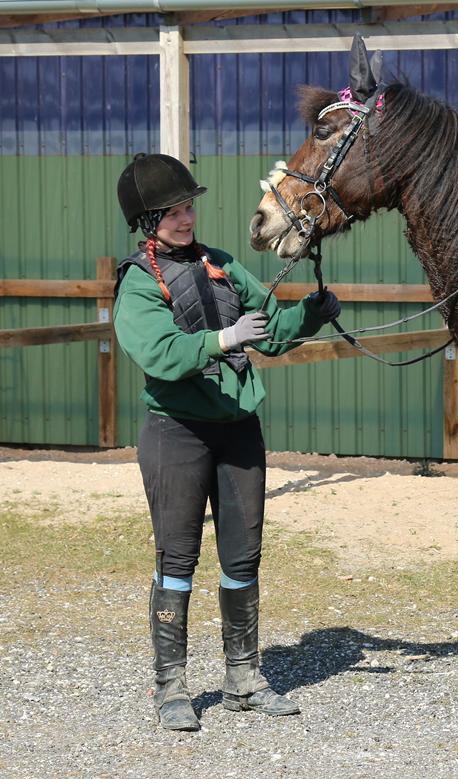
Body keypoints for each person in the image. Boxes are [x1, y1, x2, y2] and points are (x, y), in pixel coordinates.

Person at [114, 153, 341, 731]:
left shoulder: (222, 265)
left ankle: (243, 676)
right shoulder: (139, 284)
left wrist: (311, 314)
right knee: (178, 559)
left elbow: (270, 329)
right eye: (171, 212)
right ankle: (171, 688)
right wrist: (223, 338)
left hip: (238, 431)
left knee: (243, 557)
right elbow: (162, 356)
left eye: (188, 206)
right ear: (147, 220)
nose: (185, 218)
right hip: (176, 434)